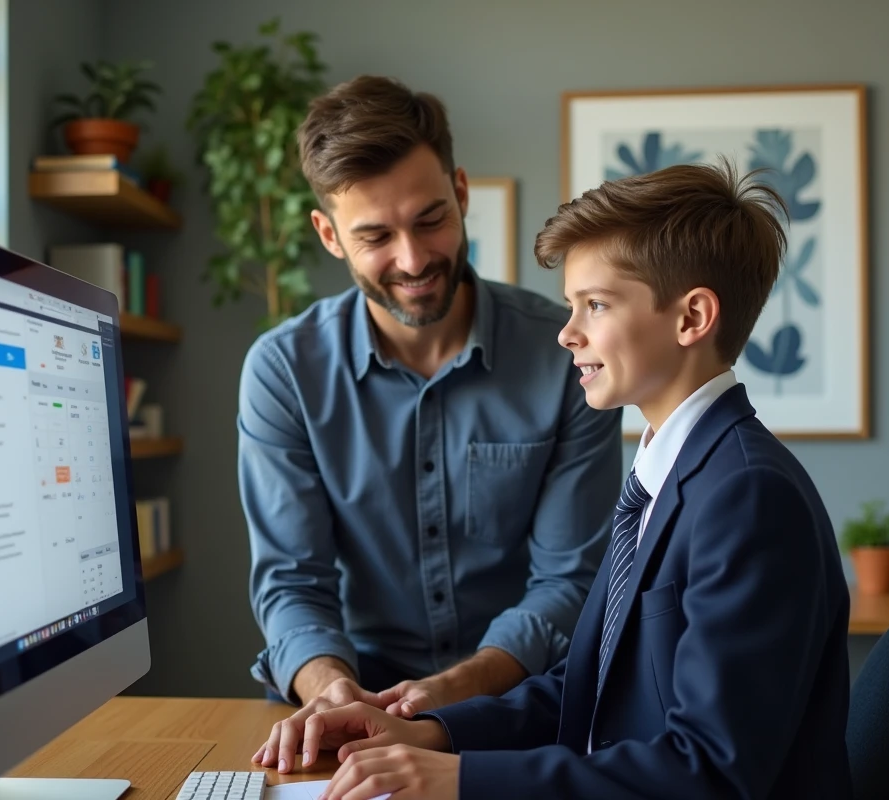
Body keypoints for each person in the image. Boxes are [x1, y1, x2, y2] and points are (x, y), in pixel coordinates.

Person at [271, 159, 854, 800]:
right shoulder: (672, 476)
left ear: (691, 318)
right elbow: (588, 689)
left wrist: (462, 780)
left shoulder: (746, 497)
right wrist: (429, 732)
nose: (567, 333)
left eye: (596, 305)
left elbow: (709, 773)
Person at [239, 74, 623, 769]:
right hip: (345, 711)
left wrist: (444, 697)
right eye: (376, 235)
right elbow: (292, 581)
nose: (413, 260)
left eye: (430, 219)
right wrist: (330, 693)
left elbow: (570, 580)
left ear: (462, 193)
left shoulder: (566, 352)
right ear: (328, 234)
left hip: (519, 712)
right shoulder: (283, 370)